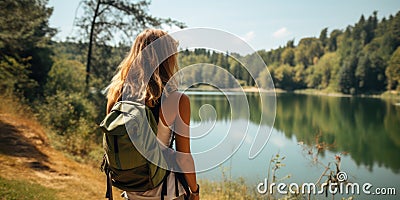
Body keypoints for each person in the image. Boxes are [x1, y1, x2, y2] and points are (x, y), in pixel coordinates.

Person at [106, 29, 199, 200]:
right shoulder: (177, 100)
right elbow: (183, 157)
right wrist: (195, 190)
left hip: (132, 189)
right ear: (167, 59)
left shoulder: (116, 95)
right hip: (166, 191)